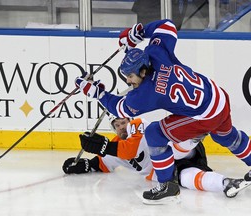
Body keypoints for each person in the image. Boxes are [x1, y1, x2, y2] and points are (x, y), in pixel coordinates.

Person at [74, 18, 251, 204]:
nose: (128, 81)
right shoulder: (156, 52)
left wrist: (96, 92)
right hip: (218, 97)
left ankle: (168, 186)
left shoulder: (146, 93)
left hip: (205, 115)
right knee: (226, 136)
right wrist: (139, 32)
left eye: (130, 76)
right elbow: (167, 26)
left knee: (154, 134)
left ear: (143, 71)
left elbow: (120, 108)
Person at [63, 116, 251, 204]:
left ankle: (197, 133)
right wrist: (84, 165)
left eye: (123, 122)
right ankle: (227, 183)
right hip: (168, 173)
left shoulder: (138, 126)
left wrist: (103, 146)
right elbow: (102, 164)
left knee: (171, 151)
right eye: (117, 125)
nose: (121, 127)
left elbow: (130, 150)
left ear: (130, 121)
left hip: (180, 151)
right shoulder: (115, 145)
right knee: (186, 179)